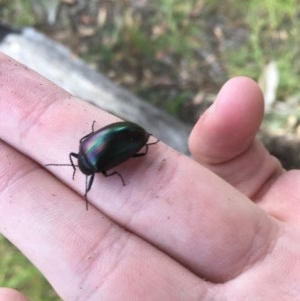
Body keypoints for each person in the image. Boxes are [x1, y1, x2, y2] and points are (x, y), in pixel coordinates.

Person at [0, 52, 299, 301]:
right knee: (132, 154)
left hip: (130, 139)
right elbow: (92, 146)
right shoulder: (84, 151)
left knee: (131, 157)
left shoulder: (98, 167)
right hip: (127, 136)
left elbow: (109, 165)